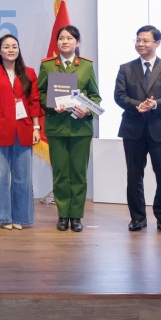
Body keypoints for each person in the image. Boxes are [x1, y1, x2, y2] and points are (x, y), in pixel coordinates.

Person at [114, 25, 161, 235]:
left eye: (145, 40)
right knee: (134, 175)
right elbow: (119, 96)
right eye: (138, 40)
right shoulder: (125, 68)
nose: (140, 44)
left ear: (157, 43)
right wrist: (138, 105)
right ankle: (137, 218)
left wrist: (155, 104)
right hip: (133, 129)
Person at [37, 25, 101, 233]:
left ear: (78, 42)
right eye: (61, 38)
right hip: (57, 127)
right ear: (57, 42)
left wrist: (87, 110)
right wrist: (51, 105)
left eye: (70, 38)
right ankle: (63, 215)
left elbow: (95, 97)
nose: (65, 41)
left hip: (80, 128)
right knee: (61, 173)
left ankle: (76, 216)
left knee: (79, 174)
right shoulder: (48, 66)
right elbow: (40, 94)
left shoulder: (86, 66)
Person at [0, 34, 42, 230]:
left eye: (14, 46)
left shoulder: (29, 73)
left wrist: (36, 127)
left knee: (23, 177)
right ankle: (3, 216)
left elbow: (34, 102)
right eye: (6, 46)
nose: (11, 50)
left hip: (24, 130)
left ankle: (21, 217)